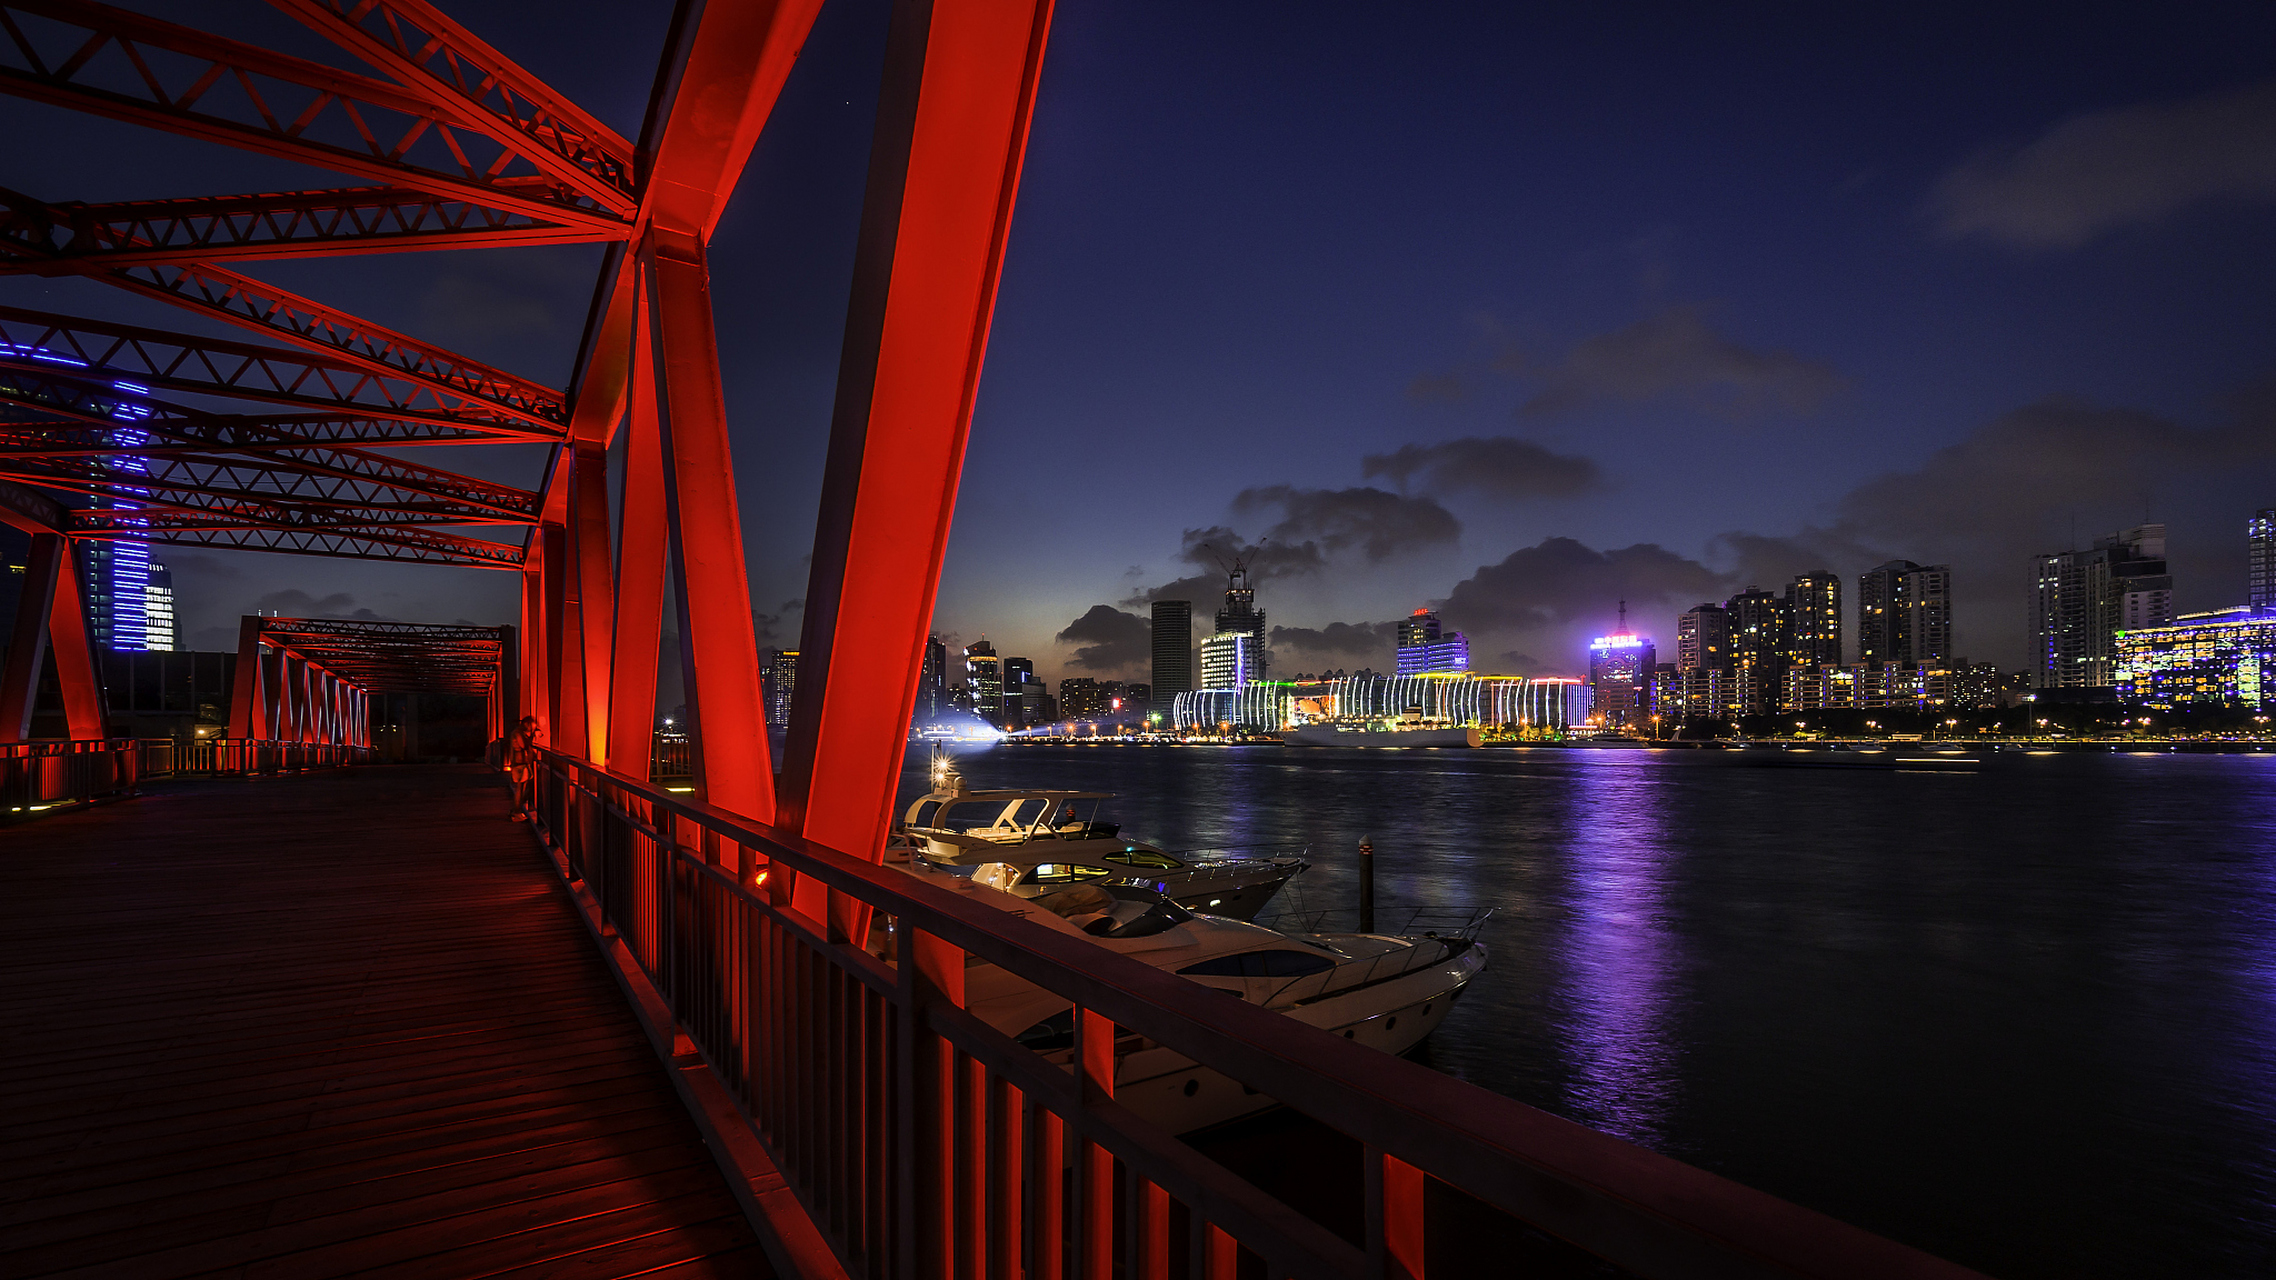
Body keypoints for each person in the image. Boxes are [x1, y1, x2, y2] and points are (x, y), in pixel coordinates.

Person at [507, 714, 539, 822]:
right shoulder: (518, 733)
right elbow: (523, 745)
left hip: (519, 763)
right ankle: (516, 813)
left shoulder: (517, 732)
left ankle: (515, 810)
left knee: (523, 789)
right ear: (527, 724)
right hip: (519, 764)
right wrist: (531, 737)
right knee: (520, 790)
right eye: (532, 726)